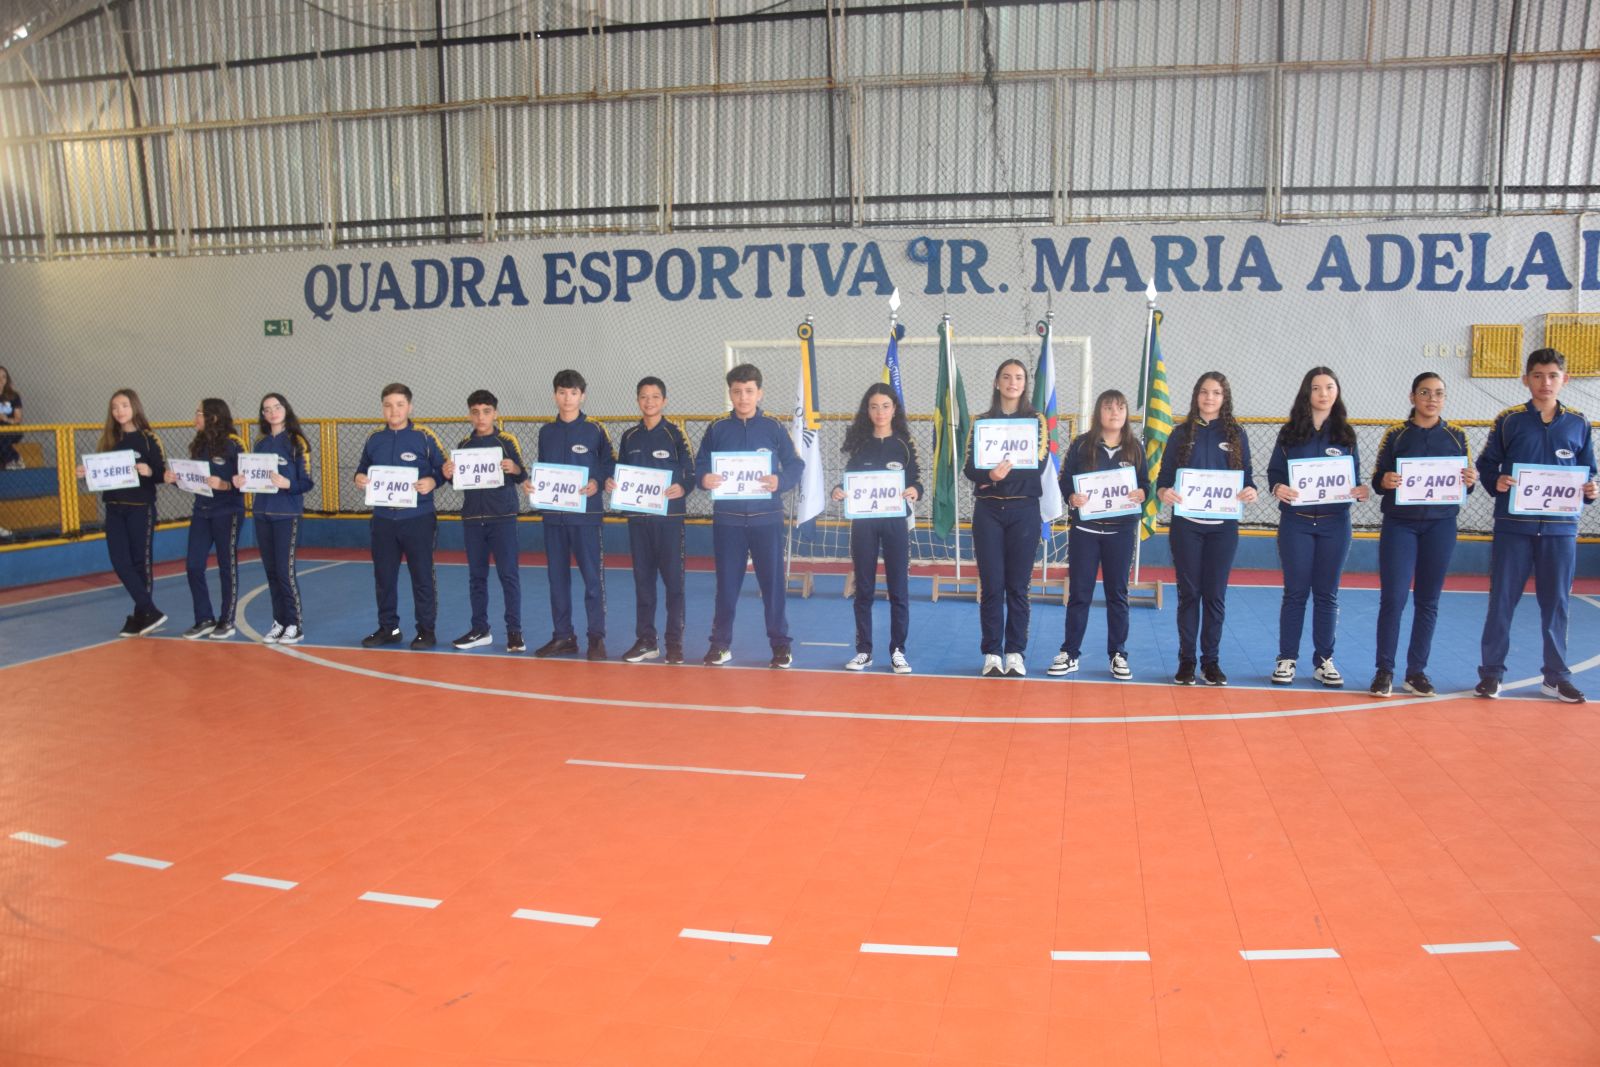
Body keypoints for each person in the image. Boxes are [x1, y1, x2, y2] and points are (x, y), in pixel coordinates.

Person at [1475, 348, 1598, 703]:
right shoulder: (1508, 420)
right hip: (1513, 527)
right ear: (1526, 379)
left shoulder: (1579, 423)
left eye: (1553, 375)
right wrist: (1496, 480)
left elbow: (1589, 472)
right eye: (1538, 375)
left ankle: (1555, 677)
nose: (1546, 382)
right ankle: (1491, 674)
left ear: (1565, 379)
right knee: (1502, 601)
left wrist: (1591, 489)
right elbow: (1487, 465)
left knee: (1556, 604)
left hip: (1560, 530)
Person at [1368, 372, 1475, 697]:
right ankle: (1384, 671)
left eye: (1439, 393)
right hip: (1400, 525)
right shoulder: (1395, 435)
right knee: (1394, 598)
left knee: (1428, 601)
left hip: (1441, 526)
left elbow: (1464, 485)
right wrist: (1385, 480)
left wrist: (1469, 480)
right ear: (1412, 397)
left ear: (1444, 398)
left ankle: (1416, 672)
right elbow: (1377, 479)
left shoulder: (1457, 436)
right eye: (1425, 392)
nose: (1432, 399)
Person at [1267, 366, 1370, 687]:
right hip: (1295, 524)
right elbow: (1274, 474)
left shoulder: (1346, 434)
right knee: (1295, 593)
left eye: (1329, 387)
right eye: (1316, 388)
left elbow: (1354, 478)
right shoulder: (1289, 433)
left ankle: (1324, 660)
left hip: (1335, 525)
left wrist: (1361, 490)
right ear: (1306, 393)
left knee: (1327, 594)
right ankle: (1286, 658)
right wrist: (1277, 488)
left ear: (1337, 392)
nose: (1323, 393)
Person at [696, 363, 805, 668]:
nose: (743, 397)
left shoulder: (773, 427)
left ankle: (781, 645)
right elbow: (700, 465)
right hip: (728, 520)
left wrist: (780, 481)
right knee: (726, 586)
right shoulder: (717, 428)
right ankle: (720, 645)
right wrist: (704, 478)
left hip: (766, 519)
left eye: (748, 391)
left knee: (772, 585)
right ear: (730, 394)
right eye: (737, 391)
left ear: (760, 393)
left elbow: (795, 464)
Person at [1156, 372, 1258, 686]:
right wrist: (1164, 493)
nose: (1209, 398)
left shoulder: (1236, 433)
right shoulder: (1180, 433)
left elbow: (1247, 478)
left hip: (1223, 528)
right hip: (1186, 527)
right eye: (1204, 392)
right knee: (1189, 595)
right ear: (1196, 396)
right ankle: (1187, 661)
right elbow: (1164, 479)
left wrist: (1250, 492)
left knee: (1215, 596)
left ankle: (1210, 663)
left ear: (1224, 398)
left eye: (1216, 393)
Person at [1054, 389, 1149, 681]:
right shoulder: (1082, 444)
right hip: (1085, 530)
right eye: (1108, 407)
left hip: (1121, 531)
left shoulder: (1135, 448)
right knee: (1079, 593)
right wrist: (1071, 497)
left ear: (1126, 413)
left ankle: (1118, 654)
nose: (1114, 412)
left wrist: (1141, 493)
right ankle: (1070, 653)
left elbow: (1145, 484)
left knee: (1117, 593)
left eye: (1120, 407)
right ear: (1099, 412)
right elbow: (1065, 480)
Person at [963, 358, 1048, 677]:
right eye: (1007, 377)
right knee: (991, 585)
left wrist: (996, 477)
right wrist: (988, 476)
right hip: (988, 513)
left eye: (1019, 377)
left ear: (1025, 384)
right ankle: (992, 653)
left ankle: (1015, 652)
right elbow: (970, 468)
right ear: (997, 382)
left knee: (1018, 586)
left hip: (1024, 511)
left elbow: (1037, 465)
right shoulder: (980, 422)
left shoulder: (1036, 421)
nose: (1013, 382)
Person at [832, 382, 921, 674]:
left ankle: (898, 651)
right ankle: (864, 650)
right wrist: (838, 490)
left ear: (894, 410)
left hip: (895, 522)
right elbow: (849, 480)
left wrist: (915, 490)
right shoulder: (860, 444)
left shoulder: (904, 445)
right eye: (874, 407)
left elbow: (916, 480)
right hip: (864, 524)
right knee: (864, 588)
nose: (880, 412)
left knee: (899, 588)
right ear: (867, 411)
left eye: (885, 406)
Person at [353, 383, 446, 650]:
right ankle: (389, 628)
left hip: (418, 519)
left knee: (422, 576)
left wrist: (433, 480)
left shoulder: (424, 436)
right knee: (384, 577)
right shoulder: (374, 438)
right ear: (382, 408)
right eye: (388, 405)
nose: (394, 410)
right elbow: (362, 468)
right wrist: (359, 477)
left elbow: (444, 470)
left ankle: (426, 630)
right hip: (383, 519)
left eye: (400, 405)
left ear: (410, 407)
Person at [608, 376, 694, 664]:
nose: (649, 402)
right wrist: (612, 483)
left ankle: (675, 644)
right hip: (638, 521)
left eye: (655, 397)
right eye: (644, 397)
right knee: (643, 583)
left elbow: (691, 472)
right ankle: (646, 641)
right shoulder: (629, 436)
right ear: (637, 400)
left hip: (669, 521)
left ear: (664, 401)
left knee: (674, 584)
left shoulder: (676, 434)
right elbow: (620, 473)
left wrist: (683, 486)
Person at [529, 369, 613, 660]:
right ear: (555, 395)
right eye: (562, 392)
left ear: (582, 396)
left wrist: (597, 482)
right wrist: (534, 485)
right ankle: (563, 636)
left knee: (592, 579)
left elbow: (609, 465)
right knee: (557, 580)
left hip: (585, 518)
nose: (567, 398)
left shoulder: (595, 430)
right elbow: (544, 469)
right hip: (554, 518)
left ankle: (596, 638)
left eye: (573, 393)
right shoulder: (546, 432)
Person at [76, 389, 168, 636]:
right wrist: (86, 473)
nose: (119, 411)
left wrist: (150, 471)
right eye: (115, 407)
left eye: (124, 405)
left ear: (134, 407)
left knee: (140, 563)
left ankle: (141, 615)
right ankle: (149, 610)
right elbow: (103, 473)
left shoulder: (149, 438)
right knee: (120, 561)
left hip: (140, 509)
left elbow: (162, 473)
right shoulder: (108, 439)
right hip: (114, 509)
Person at [442, 390, 528, 653]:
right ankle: (480, 629)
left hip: (502, 518)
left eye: (486, 412)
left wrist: (514, 468)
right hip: (472, 520)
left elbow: (520, 474)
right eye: (476, 412)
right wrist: (448, 474)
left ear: (495, 413)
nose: (481, 417)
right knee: (476, 577)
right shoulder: (464, 445)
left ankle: (514, 632)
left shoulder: (506, 441)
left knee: (508, 575)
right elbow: (458, 481)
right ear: (470, 415)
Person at [166, 398, 244, 639]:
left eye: (198, 413)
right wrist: (176, 480)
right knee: (193, 565)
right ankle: (204, 618)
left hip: (227, 512)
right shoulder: (199, 445)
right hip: (202, 512)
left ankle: (227, 620)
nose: (194, 418)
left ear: (214, 417)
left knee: (226, 566)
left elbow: (246, 481)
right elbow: (195, 482)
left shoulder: (234, 444)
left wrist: (225, 484)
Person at [241, 393, 314, 645]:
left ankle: (294, 624)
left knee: (284, 571)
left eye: (276, 407)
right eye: (267, 409)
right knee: (271, 572)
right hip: (262, 514)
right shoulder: (260, 443)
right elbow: (253, 475)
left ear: (285, 409)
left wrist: (287, 483)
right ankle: (279, 622)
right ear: (263, 415)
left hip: (286, 514)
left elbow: (307, 482)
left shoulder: (297, 442)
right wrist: (243, 480)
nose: (272, 412)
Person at [0, 365, 22, 470]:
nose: (1, 380)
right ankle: (12, 462)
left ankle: (15, 459)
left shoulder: (14, 396)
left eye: (3, 377)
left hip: (11, 429)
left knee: (2, 440)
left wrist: (6, 419)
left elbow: (18, 418)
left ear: (7, 379)